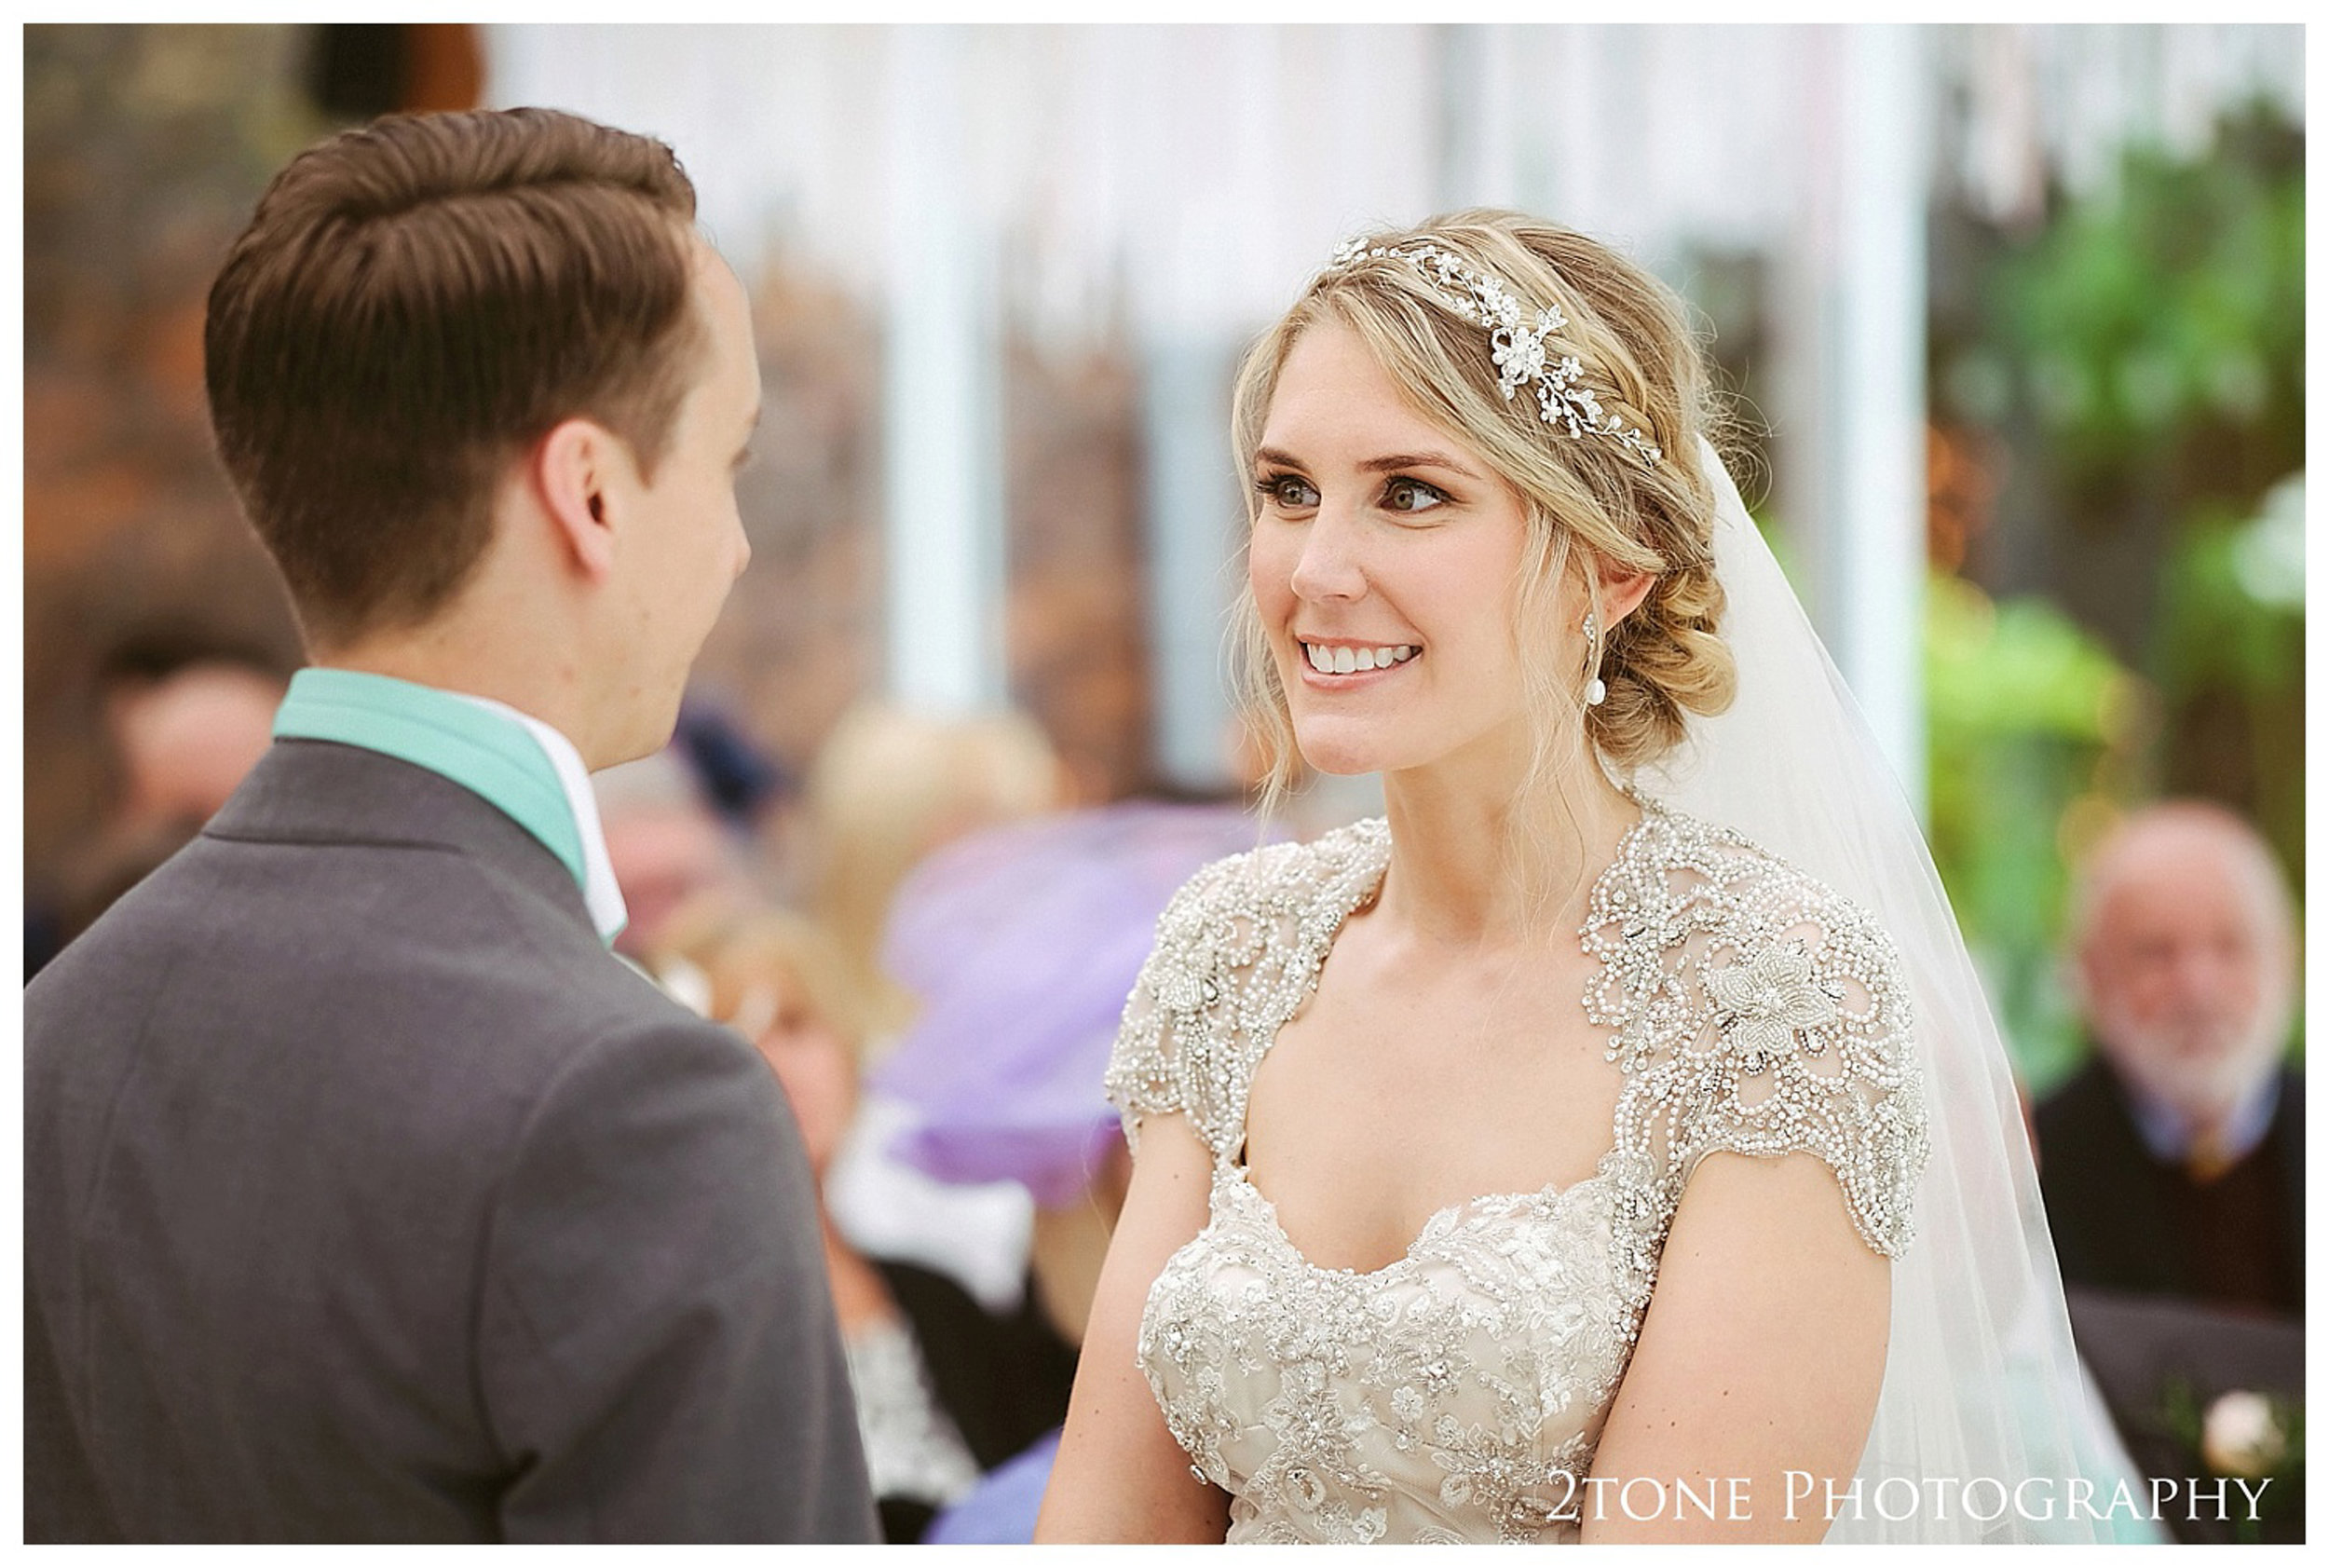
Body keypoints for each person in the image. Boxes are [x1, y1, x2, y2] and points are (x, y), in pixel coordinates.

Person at [1038, 213, 2145, 1544]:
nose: (1316, 570)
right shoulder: (1234, 950)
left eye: (1412, 491)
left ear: (1614, 565)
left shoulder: (1771, 998)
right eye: (1288, 489)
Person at [23, 108, 876, 1542]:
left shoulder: (52, 1032)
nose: (732, 544)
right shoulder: (637, 1102)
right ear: (591, 492)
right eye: (723, 463)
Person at [648, 903, 1078, 1542]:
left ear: (847, 1049)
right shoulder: (666, 1330)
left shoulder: (944, 1299)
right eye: (728, 1031)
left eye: (794, 1025)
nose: (770, 1062)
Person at [2037, 801, 2302, 1317]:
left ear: (2286, 960)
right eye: (2156, 952)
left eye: (2231, 946)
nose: (2197, 989)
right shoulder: (2034, 1168)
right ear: (2092, 973)